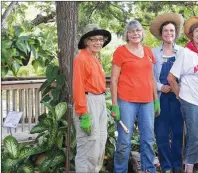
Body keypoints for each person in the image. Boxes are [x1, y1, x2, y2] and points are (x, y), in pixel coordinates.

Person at [167, 16, 198, 173]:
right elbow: (171, 78)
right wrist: (179, 95)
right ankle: (189, 168)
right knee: (195, 137)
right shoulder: (185, 52)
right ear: (191, 34)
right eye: (197, 31)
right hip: (192, 101)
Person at [111, 20, 160, 173]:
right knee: (124, 141)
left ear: (142, 33)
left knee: (148, 139)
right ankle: (120, 170)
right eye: (131, 31)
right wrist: (115, 105)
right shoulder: (120, 52)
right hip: (126, 102)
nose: (135, 34)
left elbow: (152, 77)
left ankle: (148, 170)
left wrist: (156, 99)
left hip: (147, 102)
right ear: (127, 34)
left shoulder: (147, 51)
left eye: (138, 30)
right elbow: (113, 80)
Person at [72, 24, 111, 173]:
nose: (98, 42)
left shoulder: (95, 57)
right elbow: (78, 87)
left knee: (100, 142)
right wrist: (83, 114)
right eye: (93, 39)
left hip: (100, 102)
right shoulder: (81, 58)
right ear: (86, 41)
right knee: (87, 144)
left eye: (100, 39)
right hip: (88, 103)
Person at [150, 13, 184, 173]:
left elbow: (186, 75)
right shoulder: (154, 53)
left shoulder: (182, 52)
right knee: (162, 133)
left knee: (178, 132)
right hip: (161, 97)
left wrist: (178, 88)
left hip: (178, 98)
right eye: (166, 31)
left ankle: (177, 165)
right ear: (161, 34)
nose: (169, 34)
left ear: (176, 33)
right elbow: (149, 76)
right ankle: (166, 166)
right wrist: (159, 86)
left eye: (171, 31)